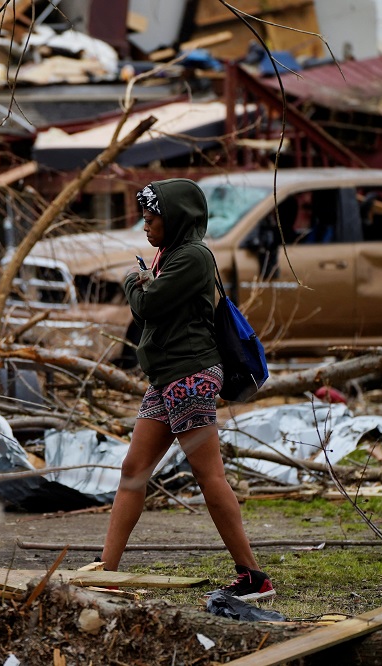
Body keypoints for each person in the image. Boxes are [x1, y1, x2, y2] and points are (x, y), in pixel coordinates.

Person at [101, 178, 275, 601]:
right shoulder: (171, 254)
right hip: (167, 379)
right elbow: (153, 309)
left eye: (151, 217)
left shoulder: (194, 256)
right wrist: (145, 280)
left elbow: (147, 305)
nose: (145, 225)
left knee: (207, 473)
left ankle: (253, 576)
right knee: (133, 471)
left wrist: (132, 281)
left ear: (174, 218)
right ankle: (105, 571)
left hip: (191, 377)